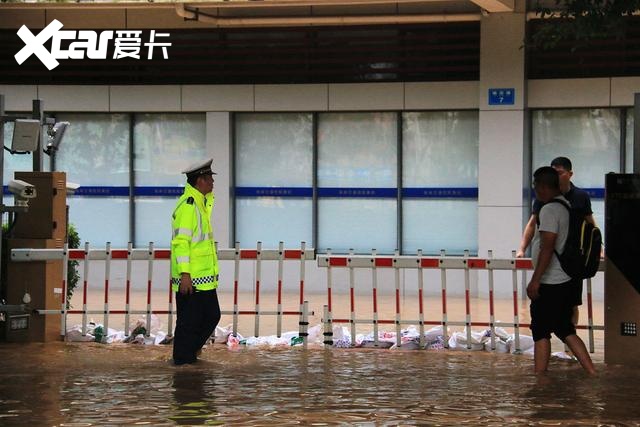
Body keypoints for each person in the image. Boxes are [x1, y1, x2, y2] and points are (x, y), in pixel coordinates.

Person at [526, 166, 595, 375]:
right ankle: (592, 372)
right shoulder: (566, 205)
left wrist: (535, 280)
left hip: (551, 281)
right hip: (566, 279)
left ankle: (540, 377)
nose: (535, 190)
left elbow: (547, 247)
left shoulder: (548, 210)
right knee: (565, 328)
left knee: (540, 330)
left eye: (536, 185)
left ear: (543, 186)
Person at [517, 157, 595, 327]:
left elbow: (590, 226)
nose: (557, 176)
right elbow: (532, 223)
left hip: (570, 262)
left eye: (560, 173)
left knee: (570, 306)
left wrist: (597, 249)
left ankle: (566, 347)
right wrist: (522, 248)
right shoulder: (542, 200)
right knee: (559, 325)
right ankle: (566, 342)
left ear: (570, 174)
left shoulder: (579, 197)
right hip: (550, 272)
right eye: (554, 173)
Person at [171, 158, 221, 365]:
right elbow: (180, 243)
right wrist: (185, 274)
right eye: (209, 178)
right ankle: (182, 361)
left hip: (204, 279)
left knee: (211, 316)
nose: (212, 182)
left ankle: (189, 354)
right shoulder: (189, 207)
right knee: (189, 324)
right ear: (199, 180)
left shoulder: (200, 205)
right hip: (191, 280)